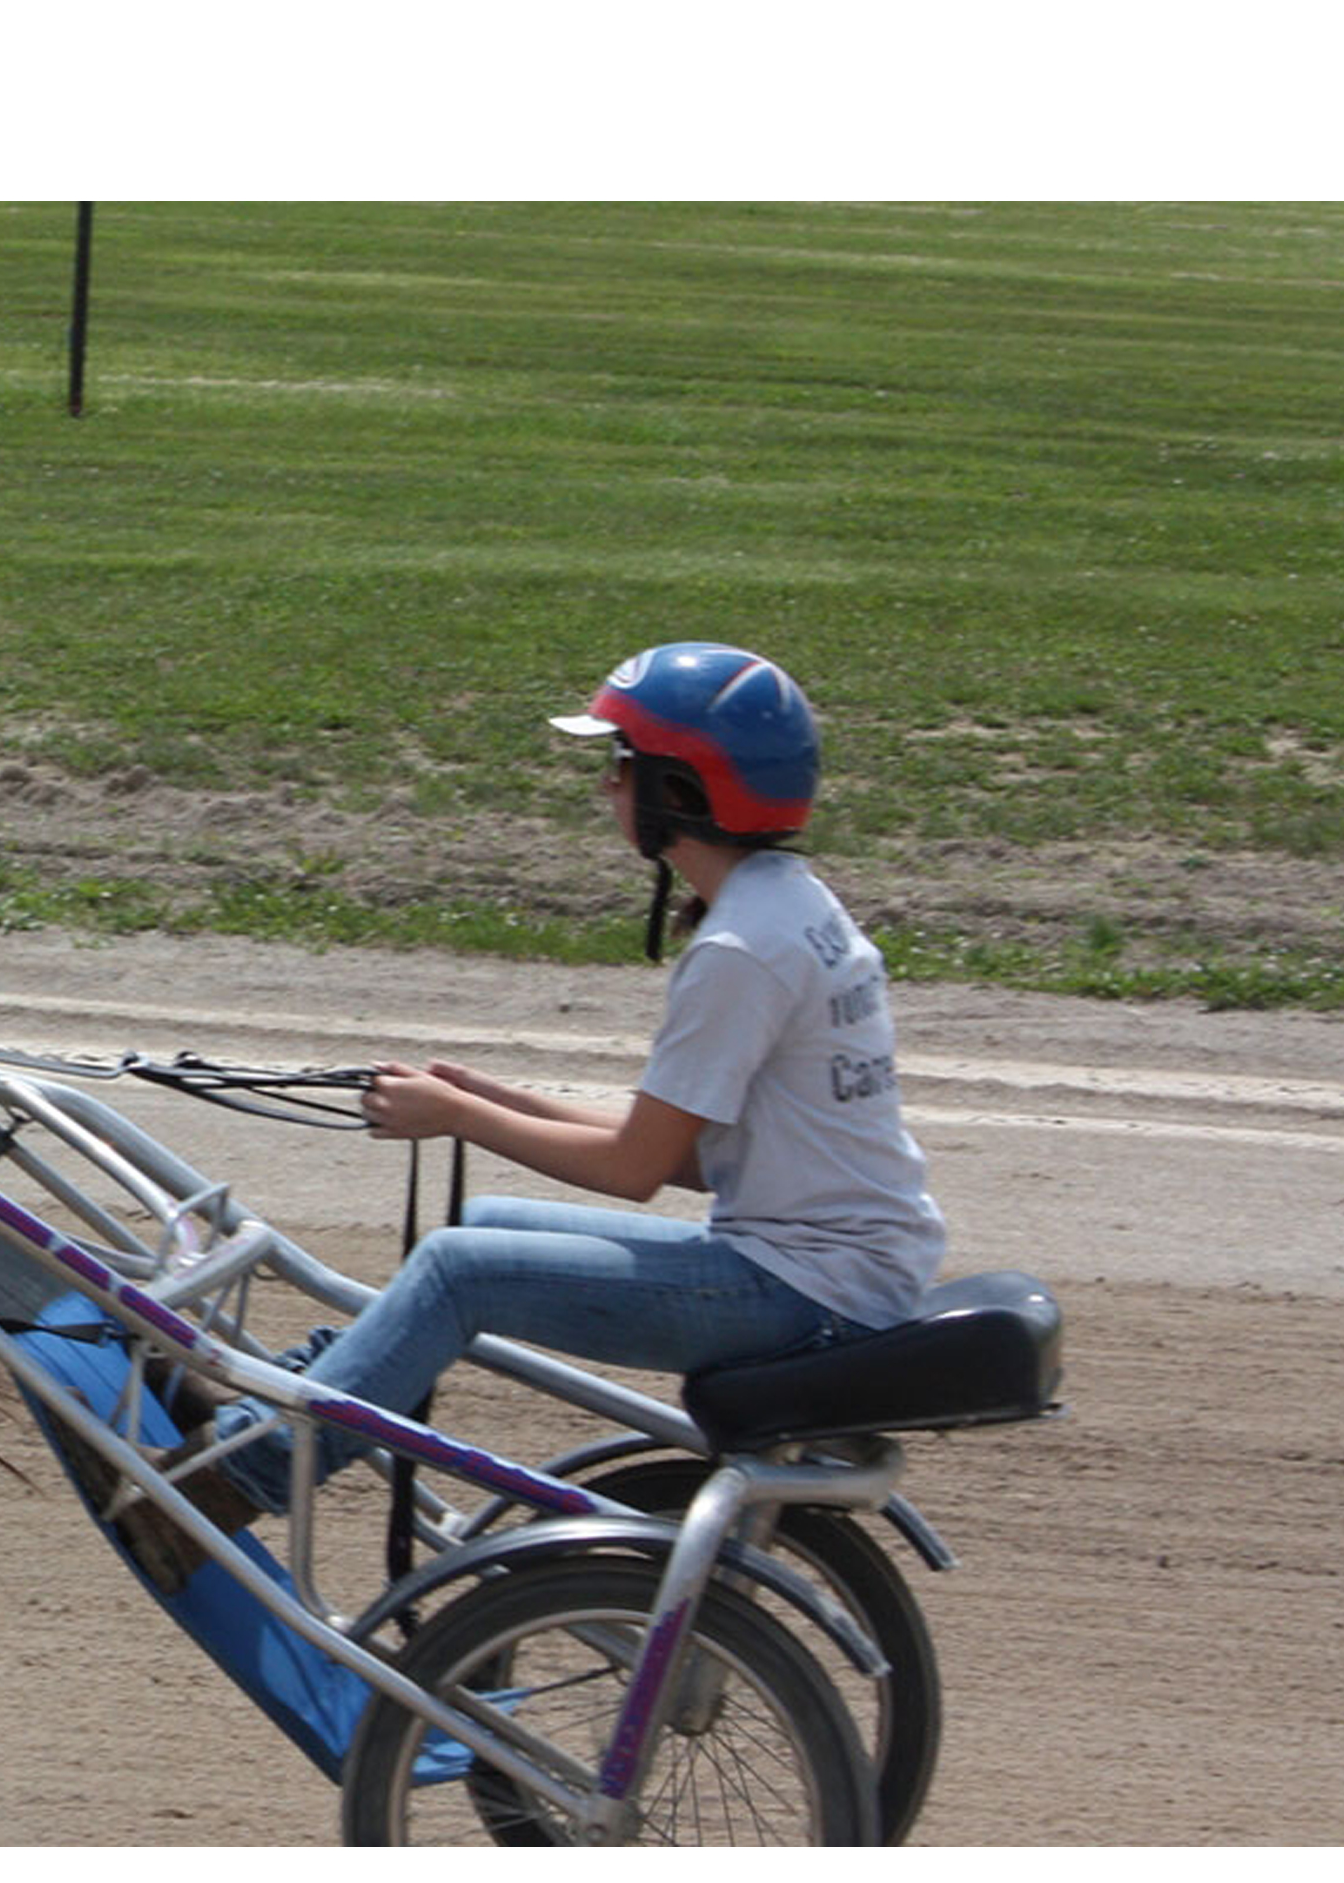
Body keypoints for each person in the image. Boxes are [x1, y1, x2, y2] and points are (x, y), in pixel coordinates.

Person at [173, 642, 946, 1540]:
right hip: (841, 1272)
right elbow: (695, 1153)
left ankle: (243, 1477)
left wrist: (458, 1116)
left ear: (680, 791)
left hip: (804, 1294)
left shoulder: (740, 954)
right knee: (485, 1227)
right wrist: (494, 1097)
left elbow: (636, 1169)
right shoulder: (792, 903)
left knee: (460, 1273)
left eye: (622, 765)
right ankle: (284, 1401)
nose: (608, 787)